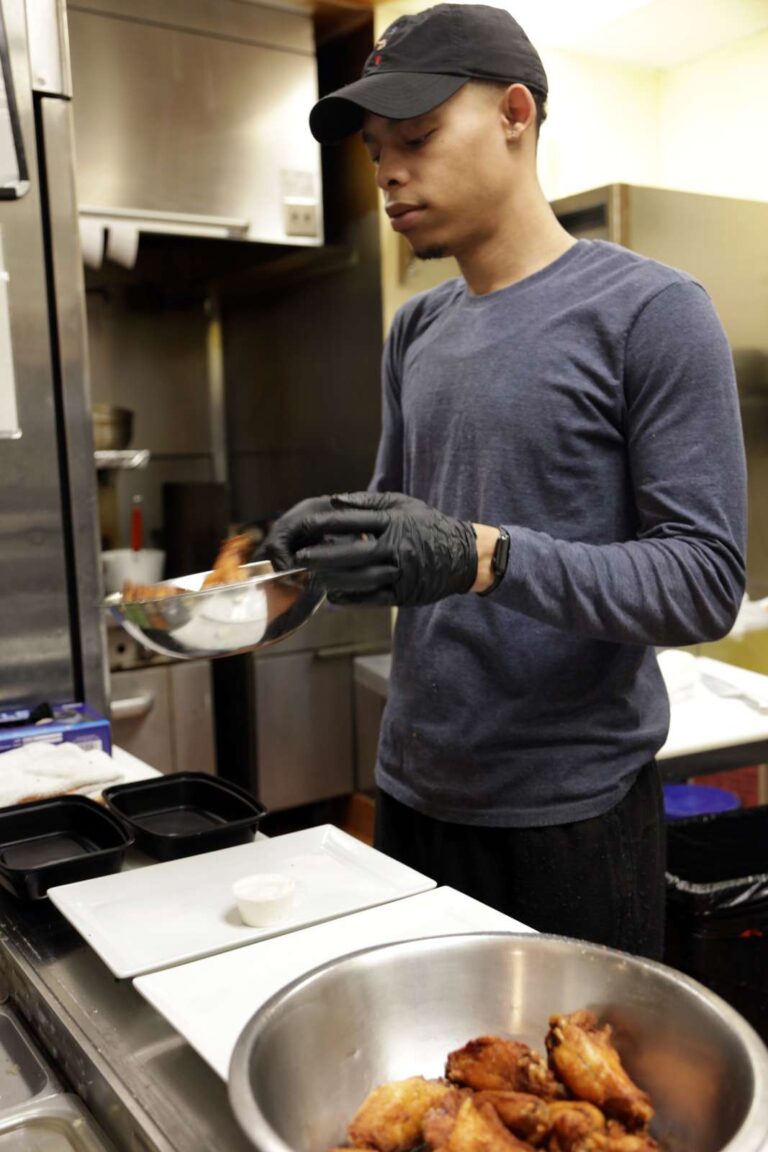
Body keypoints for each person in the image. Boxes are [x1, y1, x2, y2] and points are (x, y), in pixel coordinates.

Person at [265, 3, 747, 958]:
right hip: (411, 792)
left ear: (516, 113)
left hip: (570, 816)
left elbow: (703, 581)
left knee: (558, 1103)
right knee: (426, 1096)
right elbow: (398, 532)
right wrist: (299, 564)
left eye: (416, 136)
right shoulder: (418, 327)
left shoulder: (655, 313)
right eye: (374, 151)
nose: (390, 172)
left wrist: (481, 556)